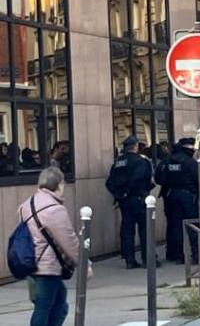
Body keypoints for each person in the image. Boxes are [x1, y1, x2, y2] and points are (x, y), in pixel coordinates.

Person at [19, 167, 91, 326]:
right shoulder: (54, 209)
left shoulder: (27, 204)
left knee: (58, 305)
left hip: (31, 262)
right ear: (59, 184)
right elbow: (69, 240)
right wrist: (85, 263)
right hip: (47, 267)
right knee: (45, 307)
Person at [106, 136, 154, 269]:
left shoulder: (117, 163)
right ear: (136, 146)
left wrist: (119, 194)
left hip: (124, 201)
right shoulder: (140, 162)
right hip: (138, 198)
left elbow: (109, 183)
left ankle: (129, 260)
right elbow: (139, 179)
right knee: (145, 230)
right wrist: (130, 191)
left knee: (127, 230)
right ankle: (147, 259)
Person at [156, 137, 198, 263]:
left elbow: (158, 178)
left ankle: (176, 255)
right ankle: (196, 255)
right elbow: (199, 178)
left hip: (170, 195)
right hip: (187, 196)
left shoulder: (167, 161)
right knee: (192, 226)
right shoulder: (190, 162)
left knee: (175, 226)